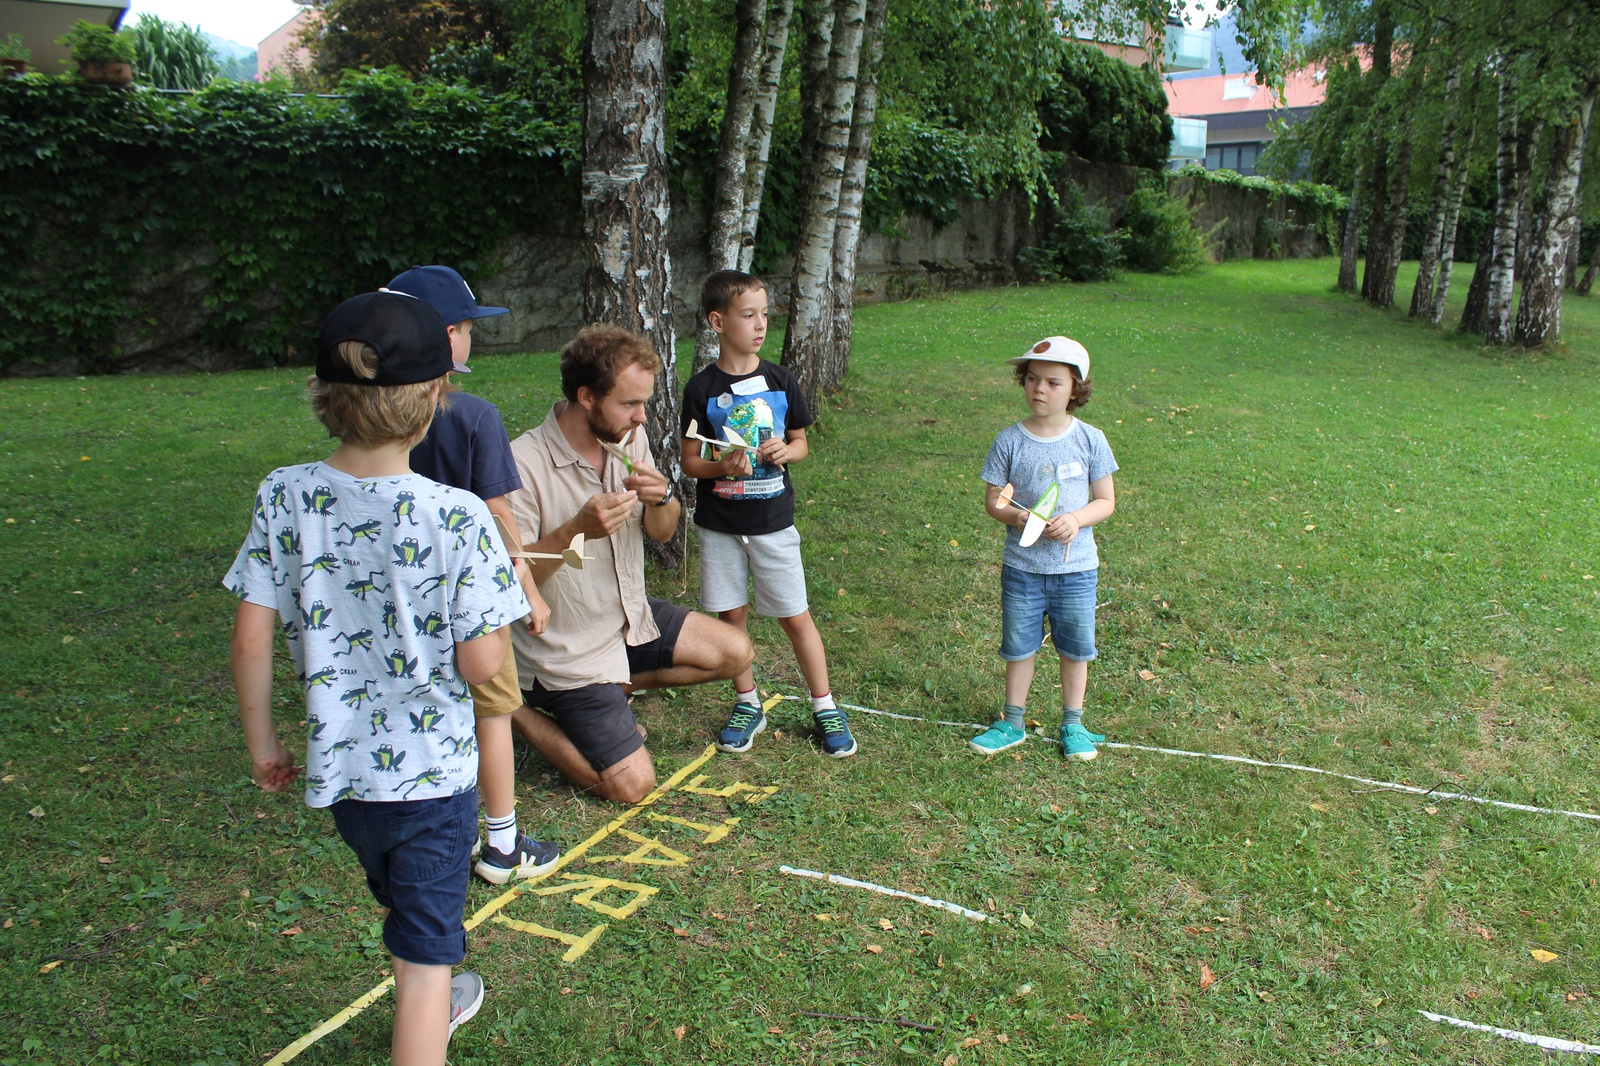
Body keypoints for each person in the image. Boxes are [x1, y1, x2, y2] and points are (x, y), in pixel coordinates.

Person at [226, 291, 532, 1064]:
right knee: (428, 966)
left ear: (324, 397)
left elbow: (250, 639)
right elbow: (482, 665)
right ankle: (432, 1010)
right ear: (435, 399)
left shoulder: (282, 494)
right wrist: (498, 609)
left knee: (409, 917)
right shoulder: (459, 515)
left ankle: (433, 995)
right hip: (433, 784)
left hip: (347, 784)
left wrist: (264, 746)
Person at [506, 324, 754, 803]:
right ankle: (512, 708)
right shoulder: (521, 463)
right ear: (586, 397)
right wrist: (576, 529)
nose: (642, 417)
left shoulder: (627, 437)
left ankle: (613, 687)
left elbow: (661, 531)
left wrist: (662, 498)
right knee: (631, 785)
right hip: (566, 652)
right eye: (629, 404)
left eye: (644, 403)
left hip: (625, 620)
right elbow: (512, 584)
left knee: (735, 651)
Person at [383, 265, 558, 886]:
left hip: (401, 591)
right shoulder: (476, 416)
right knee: (492, 708)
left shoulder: (374, 416)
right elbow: (498, 515)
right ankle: (503, 844)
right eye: (465, 327)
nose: (471, 337)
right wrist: (528, 588)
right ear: (445, 335)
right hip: (471, 595)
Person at [679, 269, 856, 758]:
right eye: (748, 315)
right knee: (731, 616)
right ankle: (747, 702)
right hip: (719, 527)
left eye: (764, 315)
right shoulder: (701, 388)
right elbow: (690, 460)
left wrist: (785, 451)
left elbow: (800, 444)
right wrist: (721, 466)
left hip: (772, 524)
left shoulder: (780, 380)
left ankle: (824, 705)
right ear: (718, 322)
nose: (760, 325)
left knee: (795, 616)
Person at [973, 335, 1118, 761]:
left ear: (1075, 389)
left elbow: (1105, 501)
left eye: (1053, 382)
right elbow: (994, 500)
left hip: (1076, 572)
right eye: (1032, 379)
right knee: (1019, 647)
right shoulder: (1009, 441)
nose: (1039, 389)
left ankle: (1073, 723)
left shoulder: (1090, 439)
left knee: (1075, 649)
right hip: (1022, 569)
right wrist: (1014, 517)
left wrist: (1076, 519)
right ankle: (1012, 721)